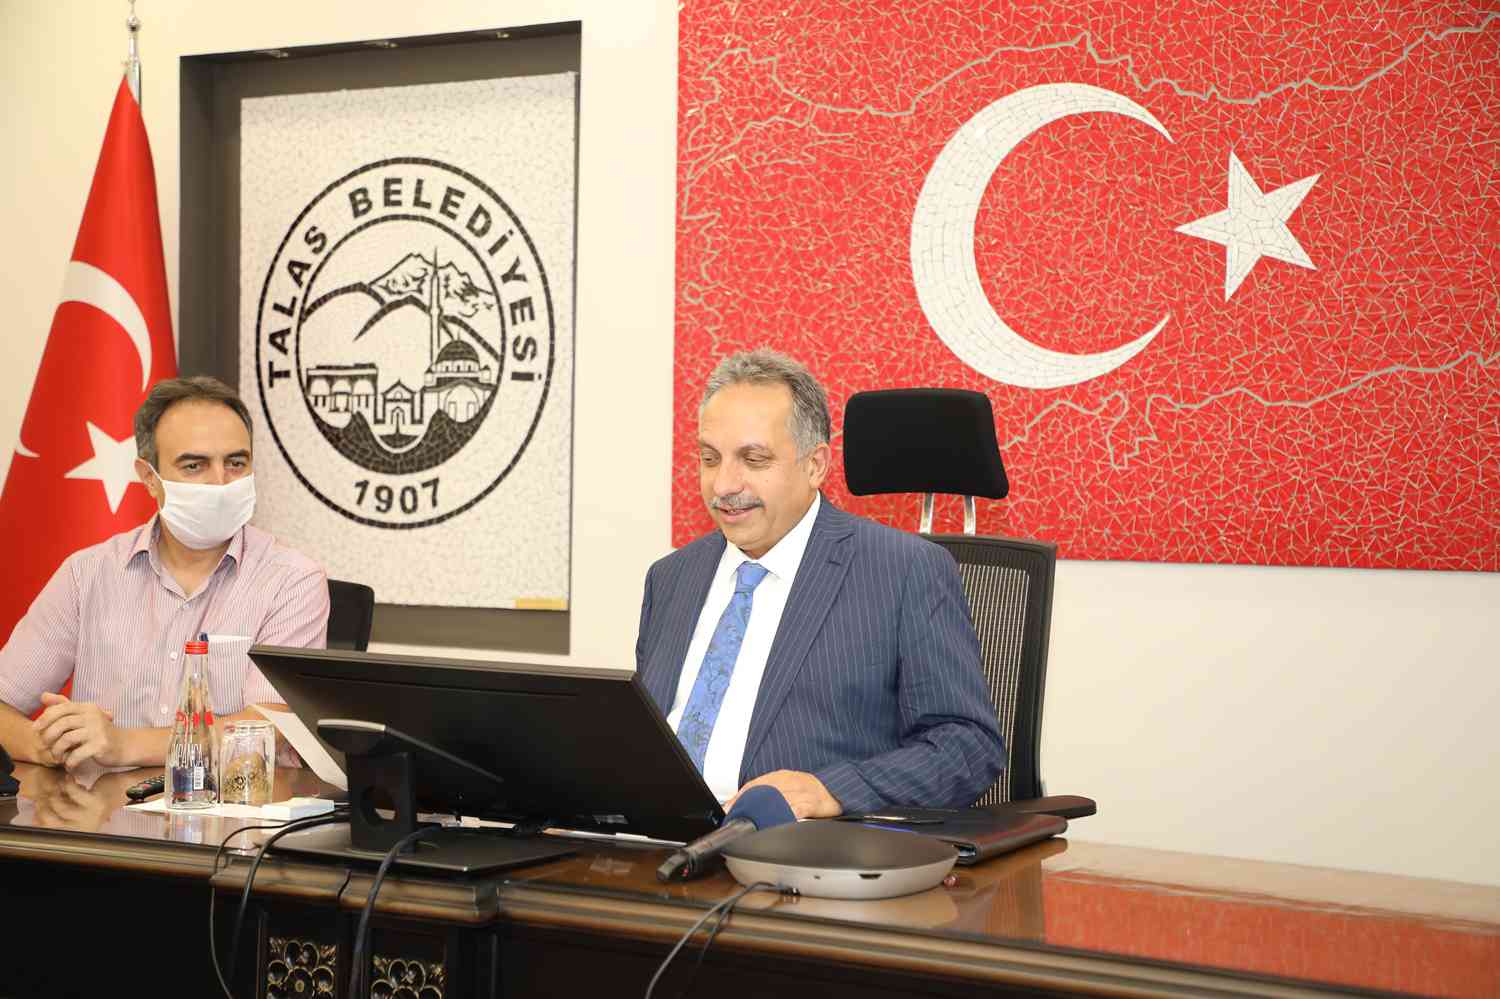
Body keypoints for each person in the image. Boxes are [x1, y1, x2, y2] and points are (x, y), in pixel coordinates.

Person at [635, 350, 1005, 818]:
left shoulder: (906, 571)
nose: (723, 484)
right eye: (710, 459)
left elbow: (967, 747)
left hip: (797, 849)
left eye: (754, 459)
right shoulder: (670, 578)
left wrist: (830, 791)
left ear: (815, 465)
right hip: (656, 842)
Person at [0, 376, 329, 770]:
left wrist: (124, 745)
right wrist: (46, 745)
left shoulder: (293, 581)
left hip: (234, 806)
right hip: (100, 805)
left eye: (236, 463)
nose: (220, 482)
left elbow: (268, 728)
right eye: (194, 466)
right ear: (149, 478)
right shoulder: (86, 575)